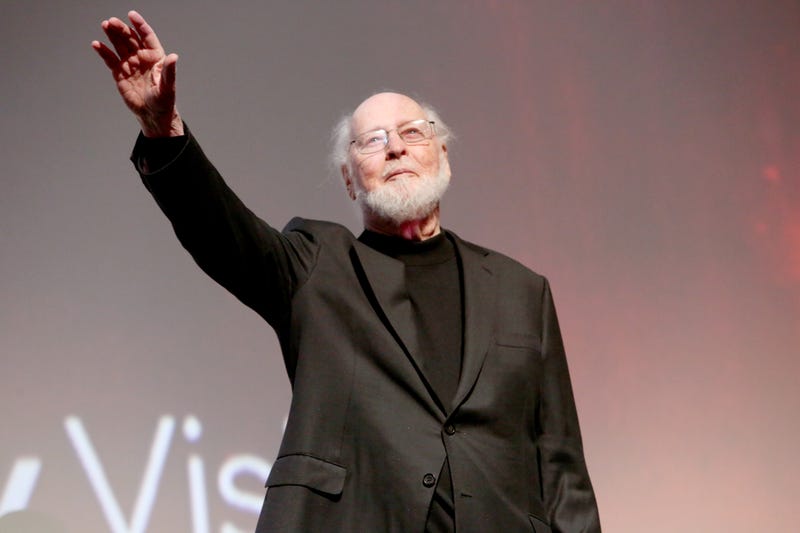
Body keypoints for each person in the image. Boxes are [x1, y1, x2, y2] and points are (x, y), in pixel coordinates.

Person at [93, 11, 600, 533]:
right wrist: (164, 131)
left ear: (442, 155)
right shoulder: (316, 264)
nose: (397, 147)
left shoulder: (522, 291)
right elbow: (224, 235)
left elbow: (562, 467)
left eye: (411, 132)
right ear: (350, 179)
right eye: (373, 140)